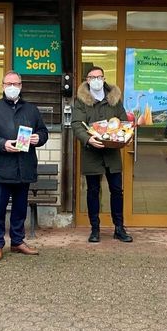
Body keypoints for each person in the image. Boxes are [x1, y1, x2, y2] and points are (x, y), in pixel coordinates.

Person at [0, 71, 49, 261]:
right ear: (2, 86)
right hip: (3, 166)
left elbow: (43, 132)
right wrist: (3, 144)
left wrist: (38, 138)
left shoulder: (31, 109)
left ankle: (18, 241)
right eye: (8, 83)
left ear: (21, 86)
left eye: (16, 83)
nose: (12, 87)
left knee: (20, 208)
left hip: (24, 166)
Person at [71, 66, 133, 243]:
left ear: (104, 78)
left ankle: (119, 228)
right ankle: (95, 229)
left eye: (99, 77)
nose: (96, 80)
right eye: (92, 77)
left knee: (116, 191)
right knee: (93, 191)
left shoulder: (114, 98)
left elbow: (123, 122)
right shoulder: (81, 100)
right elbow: (77, 124)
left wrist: (125, 136)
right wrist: (88, 139)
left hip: (112, 153)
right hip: (92, 152)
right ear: (87, 80)